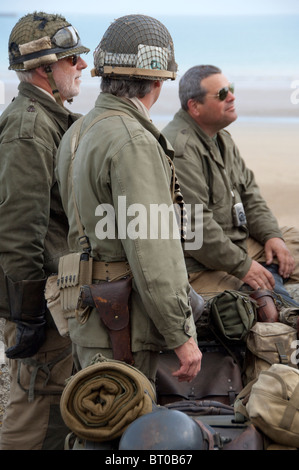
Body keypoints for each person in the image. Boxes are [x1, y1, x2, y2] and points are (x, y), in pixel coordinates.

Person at [55, 14, 202, 394]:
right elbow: (152, 249)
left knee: (93, 420)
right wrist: (180, 333)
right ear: (157, 81)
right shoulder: (132, 140)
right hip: (123, 321)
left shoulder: (77, 131)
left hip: (86, 312)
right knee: (125, 428)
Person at [0, 11, 89, 450]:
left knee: (56, 405)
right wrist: (28, 310)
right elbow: (18, 227)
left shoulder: (50, 119)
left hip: (55, 296)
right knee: (34, 404)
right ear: (43, 69)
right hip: (40, 299)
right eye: (72, 59)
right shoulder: (30, 126)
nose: (82, 67)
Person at [163, 65, 299, 305]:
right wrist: (244, 266)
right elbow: (196, 227)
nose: (233, 97)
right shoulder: (181, 149)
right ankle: (272, 292)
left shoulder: (220, 137)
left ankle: (271, 279)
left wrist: (271, 236)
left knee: (289, 244)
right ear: (195, 106)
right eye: (222, 94)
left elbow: (251, 197)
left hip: (238, 246)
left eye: (231, 89)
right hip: (200, 265)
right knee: (256, 307)